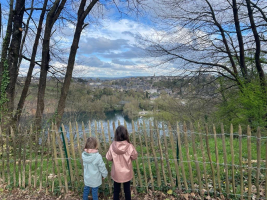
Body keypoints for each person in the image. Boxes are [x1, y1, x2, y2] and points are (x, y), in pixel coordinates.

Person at [106, 125, 138, 200]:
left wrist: (114, 159)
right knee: (127, 190)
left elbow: (108, 157)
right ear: (126, 134)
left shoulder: (112, 146)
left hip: (116, 172)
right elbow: (134, 156)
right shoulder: (130, 146)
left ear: (116, 135)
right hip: (127, 172)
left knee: (116, 190)